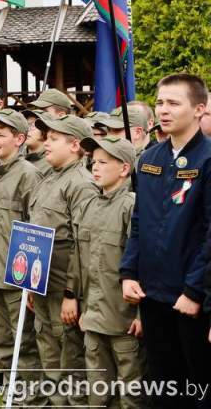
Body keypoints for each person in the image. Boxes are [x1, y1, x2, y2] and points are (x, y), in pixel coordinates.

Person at [121, 74, 211, 405]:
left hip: (191, 300)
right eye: (160, 102)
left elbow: (209, 236)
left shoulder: (208, 159)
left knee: (197, 386)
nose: (163, 110)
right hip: (152, 293)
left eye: (174, 103)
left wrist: (193, 291)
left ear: (199, 109)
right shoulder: (149, 160)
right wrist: (129, 272)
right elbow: (140, 222)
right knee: (162, 384)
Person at [28, 113, 98, 407]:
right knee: (50, 355)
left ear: (74, 145)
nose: (46, 144)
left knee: (71, 362)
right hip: (42, 283)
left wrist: (72, 293)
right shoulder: (48, 178)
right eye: (46, 137)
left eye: (54, 139)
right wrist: (29, 283)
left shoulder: (81, 184)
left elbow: (83, 245)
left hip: (63, 288)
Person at [0, 108, 44, 404]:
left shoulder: (29, 176)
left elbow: (37, 231)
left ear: (19, 139)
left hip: (19, 278)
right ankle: (12, 395)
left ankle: (29, 401)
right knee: (1, 342)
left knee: (25, 345)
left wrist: (30, 281)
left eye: (1, 135)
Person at [77, 135, 143, 409]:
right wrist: (82, 306)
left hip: (124, 319)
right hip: (94, 316)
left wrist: (142, 314)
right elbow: (82, 262)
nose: (95, 167)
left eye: (104, 162)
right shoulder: (90, 205)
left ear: (125, 169)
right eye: (93, 162)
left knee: (131, 390)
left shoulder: (132, 205)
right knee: (98, 390)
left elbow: (144, 262)